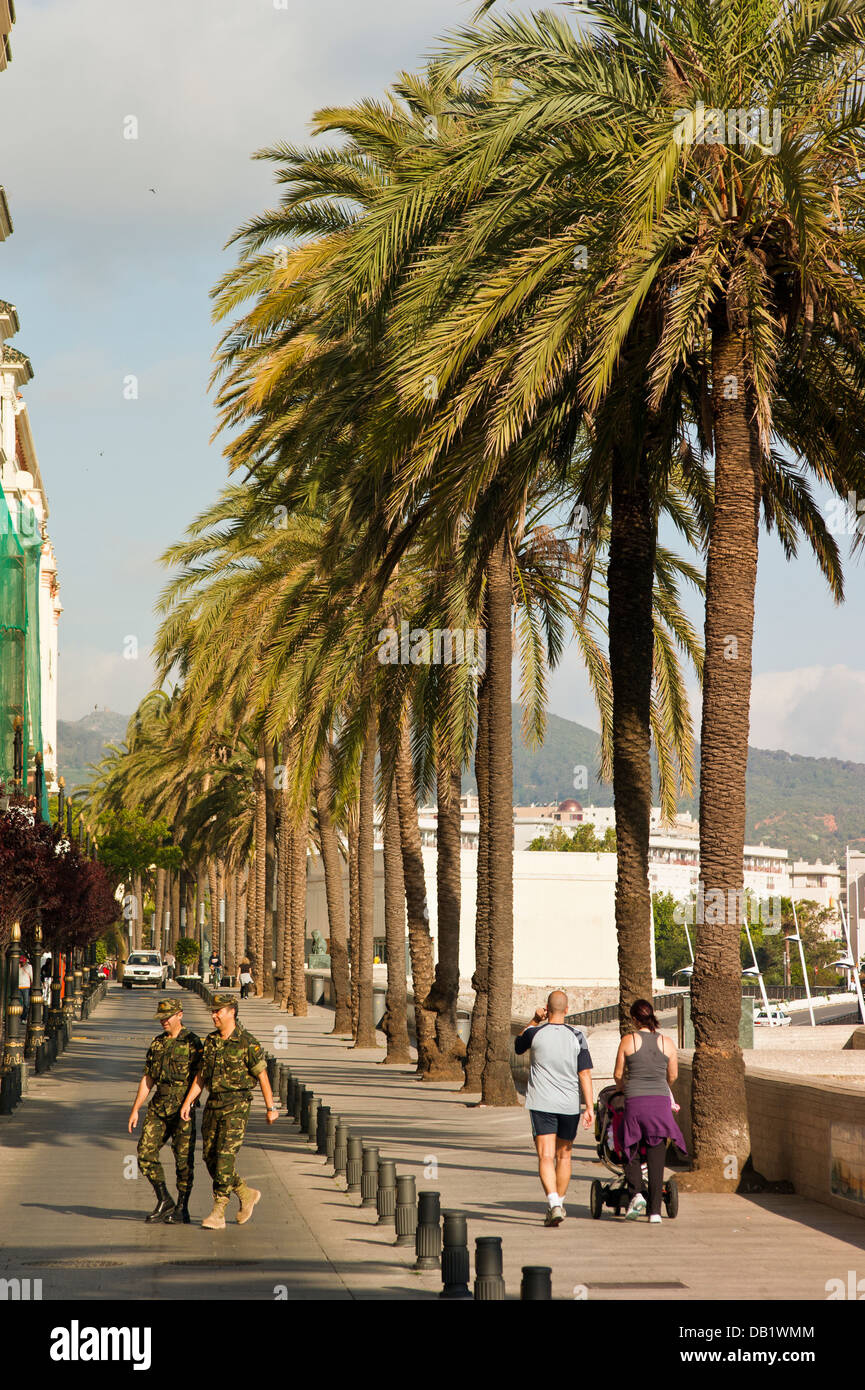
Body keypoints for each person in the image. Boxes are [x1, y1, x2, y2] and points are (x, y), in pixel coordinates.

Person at [181, 993, 278, 1230]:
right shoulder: (211, 1041)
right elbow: (201, 1077)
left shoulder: (247, 1043)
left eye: (218, 1011)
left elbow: (262, 1076)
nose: (214, 1015)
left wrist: (270, 1107)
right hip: (213, 1105)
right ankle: (245, 1193)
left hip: (236, 1107)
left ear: (231, 1012)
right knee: (210, 1158)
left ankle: (218, 1210)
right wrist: (188, 1102)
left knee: (225, 1157)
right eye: (213, 1012)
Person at [514, 990, 594, 1226]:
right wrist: (589, 1107)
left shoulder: (535, 1032)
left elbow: (518, 1045)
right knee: (565, 1155)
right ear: (567, 1010)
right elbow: (585, 1073)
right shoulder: (578, 1036)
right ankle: (559, 1202)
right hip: (569, 1104)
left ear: (547, 1010)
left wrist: (534, 1020)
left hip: (542, 1103)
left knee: (546, 1155)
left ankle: (554, 1204)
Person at [128, 999, 203, 1224]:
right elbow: (148, 1078)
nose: (164, 1021)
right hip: (159, 1106)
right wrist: (135, 1110)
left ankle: (182, 1207)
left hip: (183, 1108)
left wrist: (189, 1103)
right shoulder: (158, 1043)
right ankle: (164, 1199)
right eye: (161, 1017)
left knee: (183, 1160)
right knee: (145, 1153)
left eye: (168, 1016)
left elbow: (200, 1078)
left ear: (179, 1015)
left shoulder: (193, 1042)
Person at [613, 998, 687, 1224]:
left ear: (635, 1019)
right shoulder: (667, 1042)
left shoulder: (628, 1040)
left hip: (635, 1101)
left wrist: (623, 1089)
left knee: (630, 1146)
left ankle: (636, 1194)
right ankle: (655, 1211)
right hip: (659, 1104)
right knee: (656, 1154)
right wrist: (660, 1087)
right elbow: (672, 1076)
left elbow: (617, 1074)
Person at [18, 953, 33, 1023]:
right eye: (20, 962)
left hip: (26, 987)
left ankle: (23, 1017)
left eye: (22, 962)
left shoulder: (29, 967)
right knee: (17, 1003)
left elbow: (32, 976)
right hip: (18, 986)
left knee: (26, 1004)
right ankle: (18, 1018)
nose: (21, 963)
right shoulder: (17, 966)